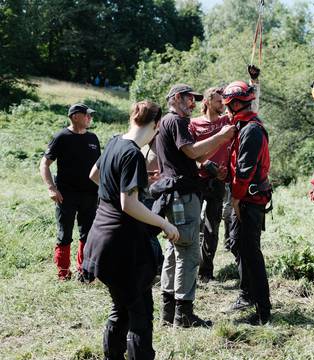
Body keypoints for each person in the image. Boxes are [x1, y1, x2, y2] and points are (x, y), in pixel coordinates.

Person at [82, 100, 179, 359]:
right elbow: (129, 204)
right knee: (140, 313)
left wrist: (135, 181)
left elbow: (94, 174)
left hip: (99, 240)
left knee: (121, 308)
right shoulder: (134, 153)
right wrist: (163, 223)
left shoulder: (115, 141)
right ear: (157, 125)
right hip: (123, 247)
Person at [156, 84, 236, 328]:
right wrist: (221, 136)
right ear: (178, 98)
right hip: (183, 194)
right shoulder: (178, 122)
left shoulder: (164, 123)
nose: (193, 104)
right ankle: (184, 314)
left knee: (173, 250)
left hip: (171, 194)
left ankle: (167, 312)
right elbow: (190, 151)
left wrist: (210, 166)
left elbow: (192, 156)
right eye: (190, 99)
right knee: (189, 253)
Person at [190, 66, 261, 283]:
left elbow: (250, 107)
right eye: (219, 101)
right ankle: (188, 269)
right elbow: (189, 151)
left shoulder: (227, 121)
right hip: (198, 180)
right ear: (208, 102)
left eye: (225, 102)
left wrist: (254, 81)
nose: (224, 105)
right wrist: (206, 164)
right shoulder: (194, 124)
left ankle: (206, 272)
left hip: (220, 181)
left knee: (212, 226)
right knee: (194, 225)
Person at [222, 80, 272, 325]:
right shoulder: (243, 126)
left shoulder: (251, 129)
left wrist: (236, 198)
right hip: (245, 198)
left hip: (248, 199)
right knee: (237, 245)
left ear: (234, 103)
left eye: (227, 106)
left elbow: (245, 169)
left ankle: (263, 311)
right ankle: (248, 295)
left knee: (251, 254)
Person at [39, 103, 101, 281]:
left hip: (90, 194)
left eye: (91, 115)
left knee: (88, 233)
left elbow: (98, 167)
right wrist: (51, 188)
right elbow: (44, 164)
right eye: (87, 115)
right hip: (66, 195)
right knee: (64, 234)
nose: (90, 118)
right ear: (75, 116)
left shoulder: (93, 138)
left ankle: (84, 271)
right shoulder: (62, 137)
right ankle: (63, 273)